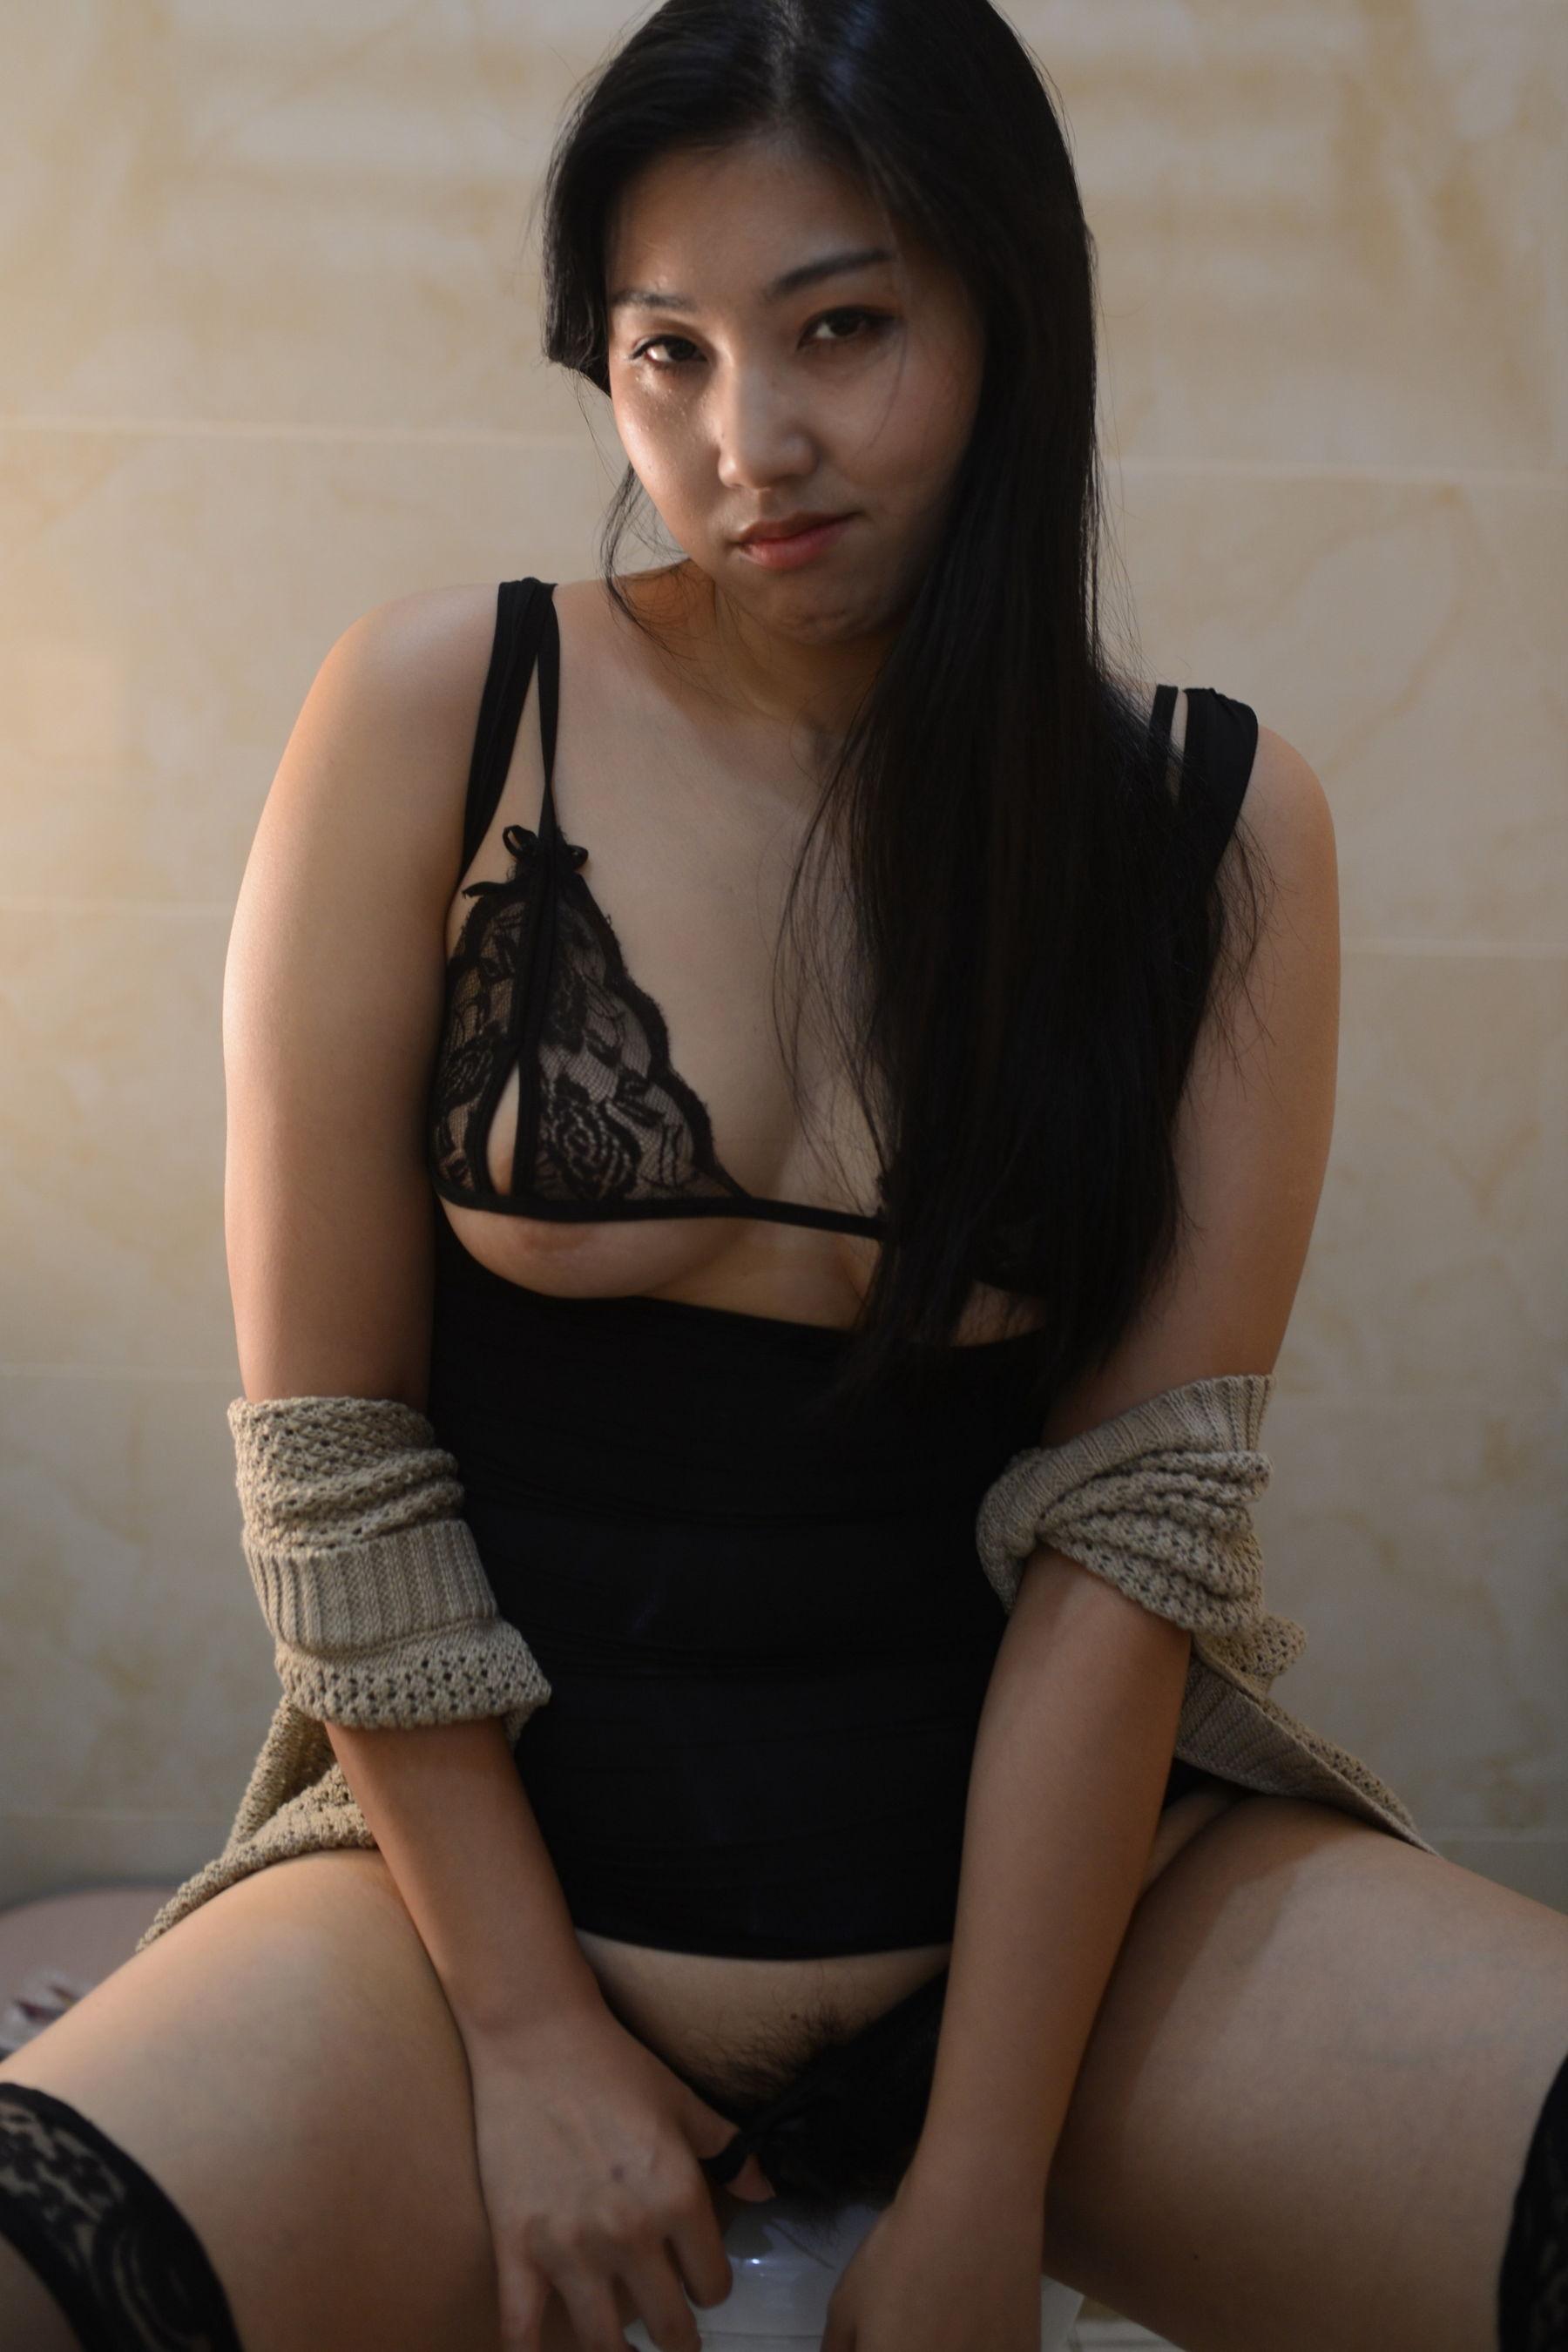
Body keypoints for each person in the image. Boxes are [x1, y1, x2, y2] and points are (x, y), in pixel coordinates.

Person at [3, 4, 1565, 2349]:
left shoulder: (1216, 832)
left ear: (1008, 318)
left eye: (840, 327)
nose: (748, 443)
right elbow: (336, 1464)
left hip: (1078, 1953)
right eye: (669, 355)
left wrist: (983, 2177)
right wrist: (532, 2039)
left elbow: (1133, 1537)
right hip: (467, 1943)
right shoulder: (441, 714)